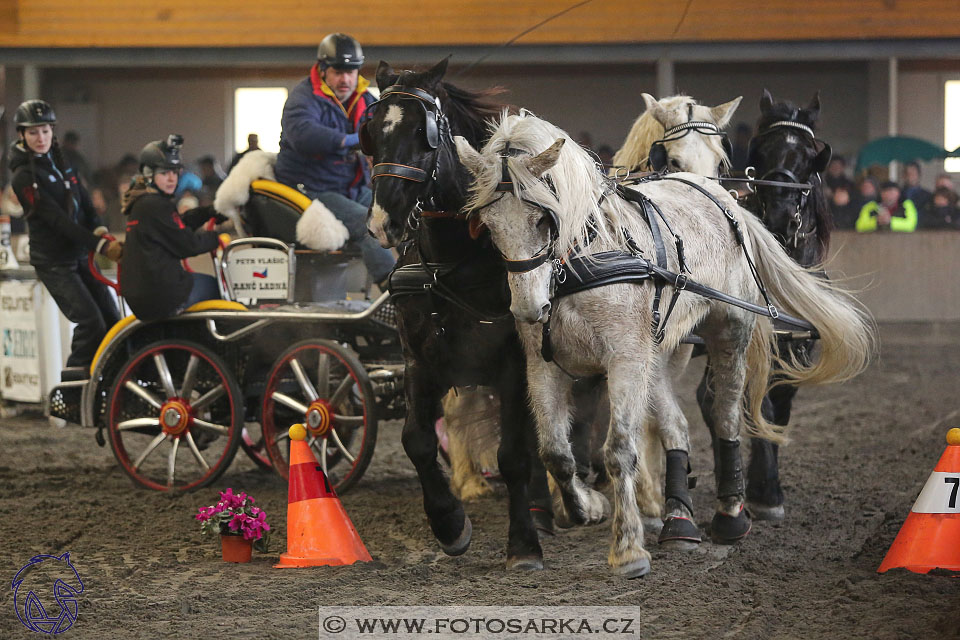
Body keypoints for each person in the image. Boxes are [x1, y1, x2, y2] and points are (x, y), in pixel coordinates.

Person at [8, 100, 123, 372]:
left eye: (46, 131)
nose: (41, 138)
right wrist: (99, 245)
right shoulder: (23, 177)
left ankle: (111, 382)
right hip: (53, 262)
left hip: (79, 254)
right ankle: (71, 392)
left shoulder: (62, 162)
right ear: (22, 135)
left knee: (112, 318)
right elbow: (57, 221)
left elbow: (84, 202)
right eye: (34, 132)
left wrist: (100, 231)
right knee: (90, 322)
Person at [274, 32, 395, 286]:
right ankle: (393, 293)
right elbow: (305, 136)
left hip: (350, 187)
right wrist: (354, 140)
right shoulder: (303, 98)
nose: (346, 79)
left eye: (351, 72)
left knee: (398, 214)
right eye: (338, 72)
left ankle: (417, 281)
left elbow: (385, 127)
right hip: (310, 189)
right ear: (323, 70)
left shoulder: (365, 99)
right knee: (371, 226)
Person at [120, 135, 227, 322]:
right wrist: (215, 237)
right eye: (164, 173)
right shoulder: (157, 205)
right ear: (148, 174)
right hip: (163, 295)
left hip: (145, 296)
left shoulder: (143, 203)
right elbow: (188, 245)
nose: (171, 178)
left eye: (175, 173)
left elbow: (175, 226)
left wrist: (208, 212)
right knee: (216, 287)